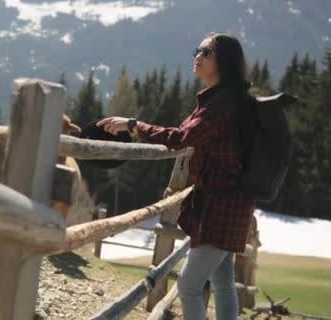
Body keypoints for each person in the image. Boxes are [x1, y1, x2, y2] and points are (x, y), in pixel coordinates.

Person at [97, 32, 257, 320]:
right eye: (197, 50)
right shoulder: (221, 99)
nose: (198, 55)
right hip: (231, 204)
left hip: (221, 207)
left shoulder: (222, 104)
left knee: (189, 286)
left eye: (206, 51)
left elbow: (182, 137)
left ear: (225, 60)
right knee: (222, 281)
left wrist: (133, 125)